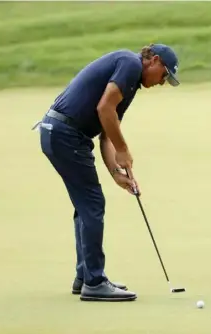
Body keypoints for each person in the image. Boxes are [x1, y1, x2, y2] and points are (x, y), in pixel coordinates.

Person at [34, 43, 180, 302]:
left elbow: (106, 134)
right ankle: (95, 282)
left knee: (85, 204)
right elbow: (104, 109)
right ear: (154, 61)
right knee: (92, 203)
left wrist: (116, 173)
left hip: (58, 133)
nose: (162, 83)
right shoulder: (130, 63)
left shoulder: (131, 83)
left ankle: (85, 276)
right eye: (164, 75)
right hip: (65, 134)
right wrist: (124, 149)